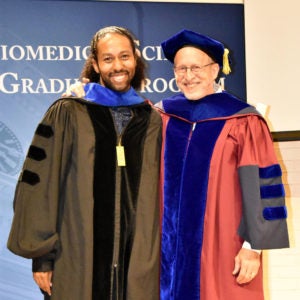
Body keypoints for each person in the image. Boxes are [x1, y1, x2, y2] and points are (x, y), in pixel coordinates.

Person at [7, 26, 161, 300]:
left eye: (124, 56)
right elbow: (40, 184)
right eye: (108, 58)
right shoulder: (68, 112)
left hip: (136, 264)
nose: (118, 66)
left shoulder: (151, 119)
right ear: (95, 64)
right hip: (75, 259)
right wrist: (42, 258)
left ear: (135, 60)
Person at [156, 29, 289, 300]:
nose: (188, 76)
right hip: (169, 250)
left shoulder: (244, 120)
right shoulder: (161, 115)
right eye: (181, 69)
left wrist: (253, 248)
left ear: (215, 69)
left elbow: (263, 186)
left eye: (196, 67)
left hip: (225, 246)